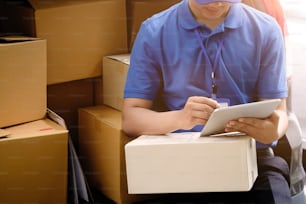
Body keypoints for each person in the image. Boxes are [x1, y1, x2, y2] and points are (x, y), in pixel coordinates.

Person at [122, 0, 291, 203]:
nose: (217, 3)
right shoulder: (155, 31)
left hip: (252, 159)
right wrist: (180, 118)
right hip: (181, 161)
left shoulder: (265, 29)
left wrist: (273, 130)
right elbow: (131, 118)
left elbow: (279, 112)